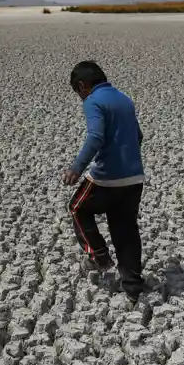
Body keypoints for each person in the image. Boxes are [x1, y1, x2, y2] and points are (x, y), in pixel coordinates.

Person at [63, 60, 146, 302]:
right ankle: (133, 288)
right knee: (125, 229)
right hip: (134, 177)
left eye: (77, 92)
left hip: (106, 177)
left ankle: (99, 256)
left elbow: (96, 137)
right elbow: (138, 135)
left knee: (77, 208)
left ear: (82, 85)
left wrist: (76, 168)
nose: (79, 97)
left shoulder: (93, 101)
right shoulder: (124, 99)